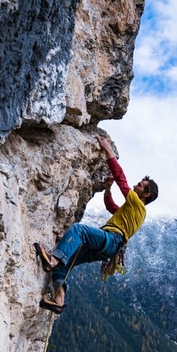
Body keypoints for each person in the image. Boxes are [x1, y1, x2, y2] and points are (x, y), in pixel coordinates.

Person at [34, 135, 158, 314]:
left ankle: (52, 260)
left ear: (146, 195)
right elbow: (112, 207)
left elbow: (121, 179)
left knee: (79, 230)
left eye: (140, 186)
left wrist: (107, 149)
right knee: (67, 261)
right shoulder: (134, 211)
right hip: (109, 248)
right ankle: (59, 300)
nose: (134, 186)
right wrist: (108, 189)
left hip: (111, 240)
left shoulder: (137, 204)